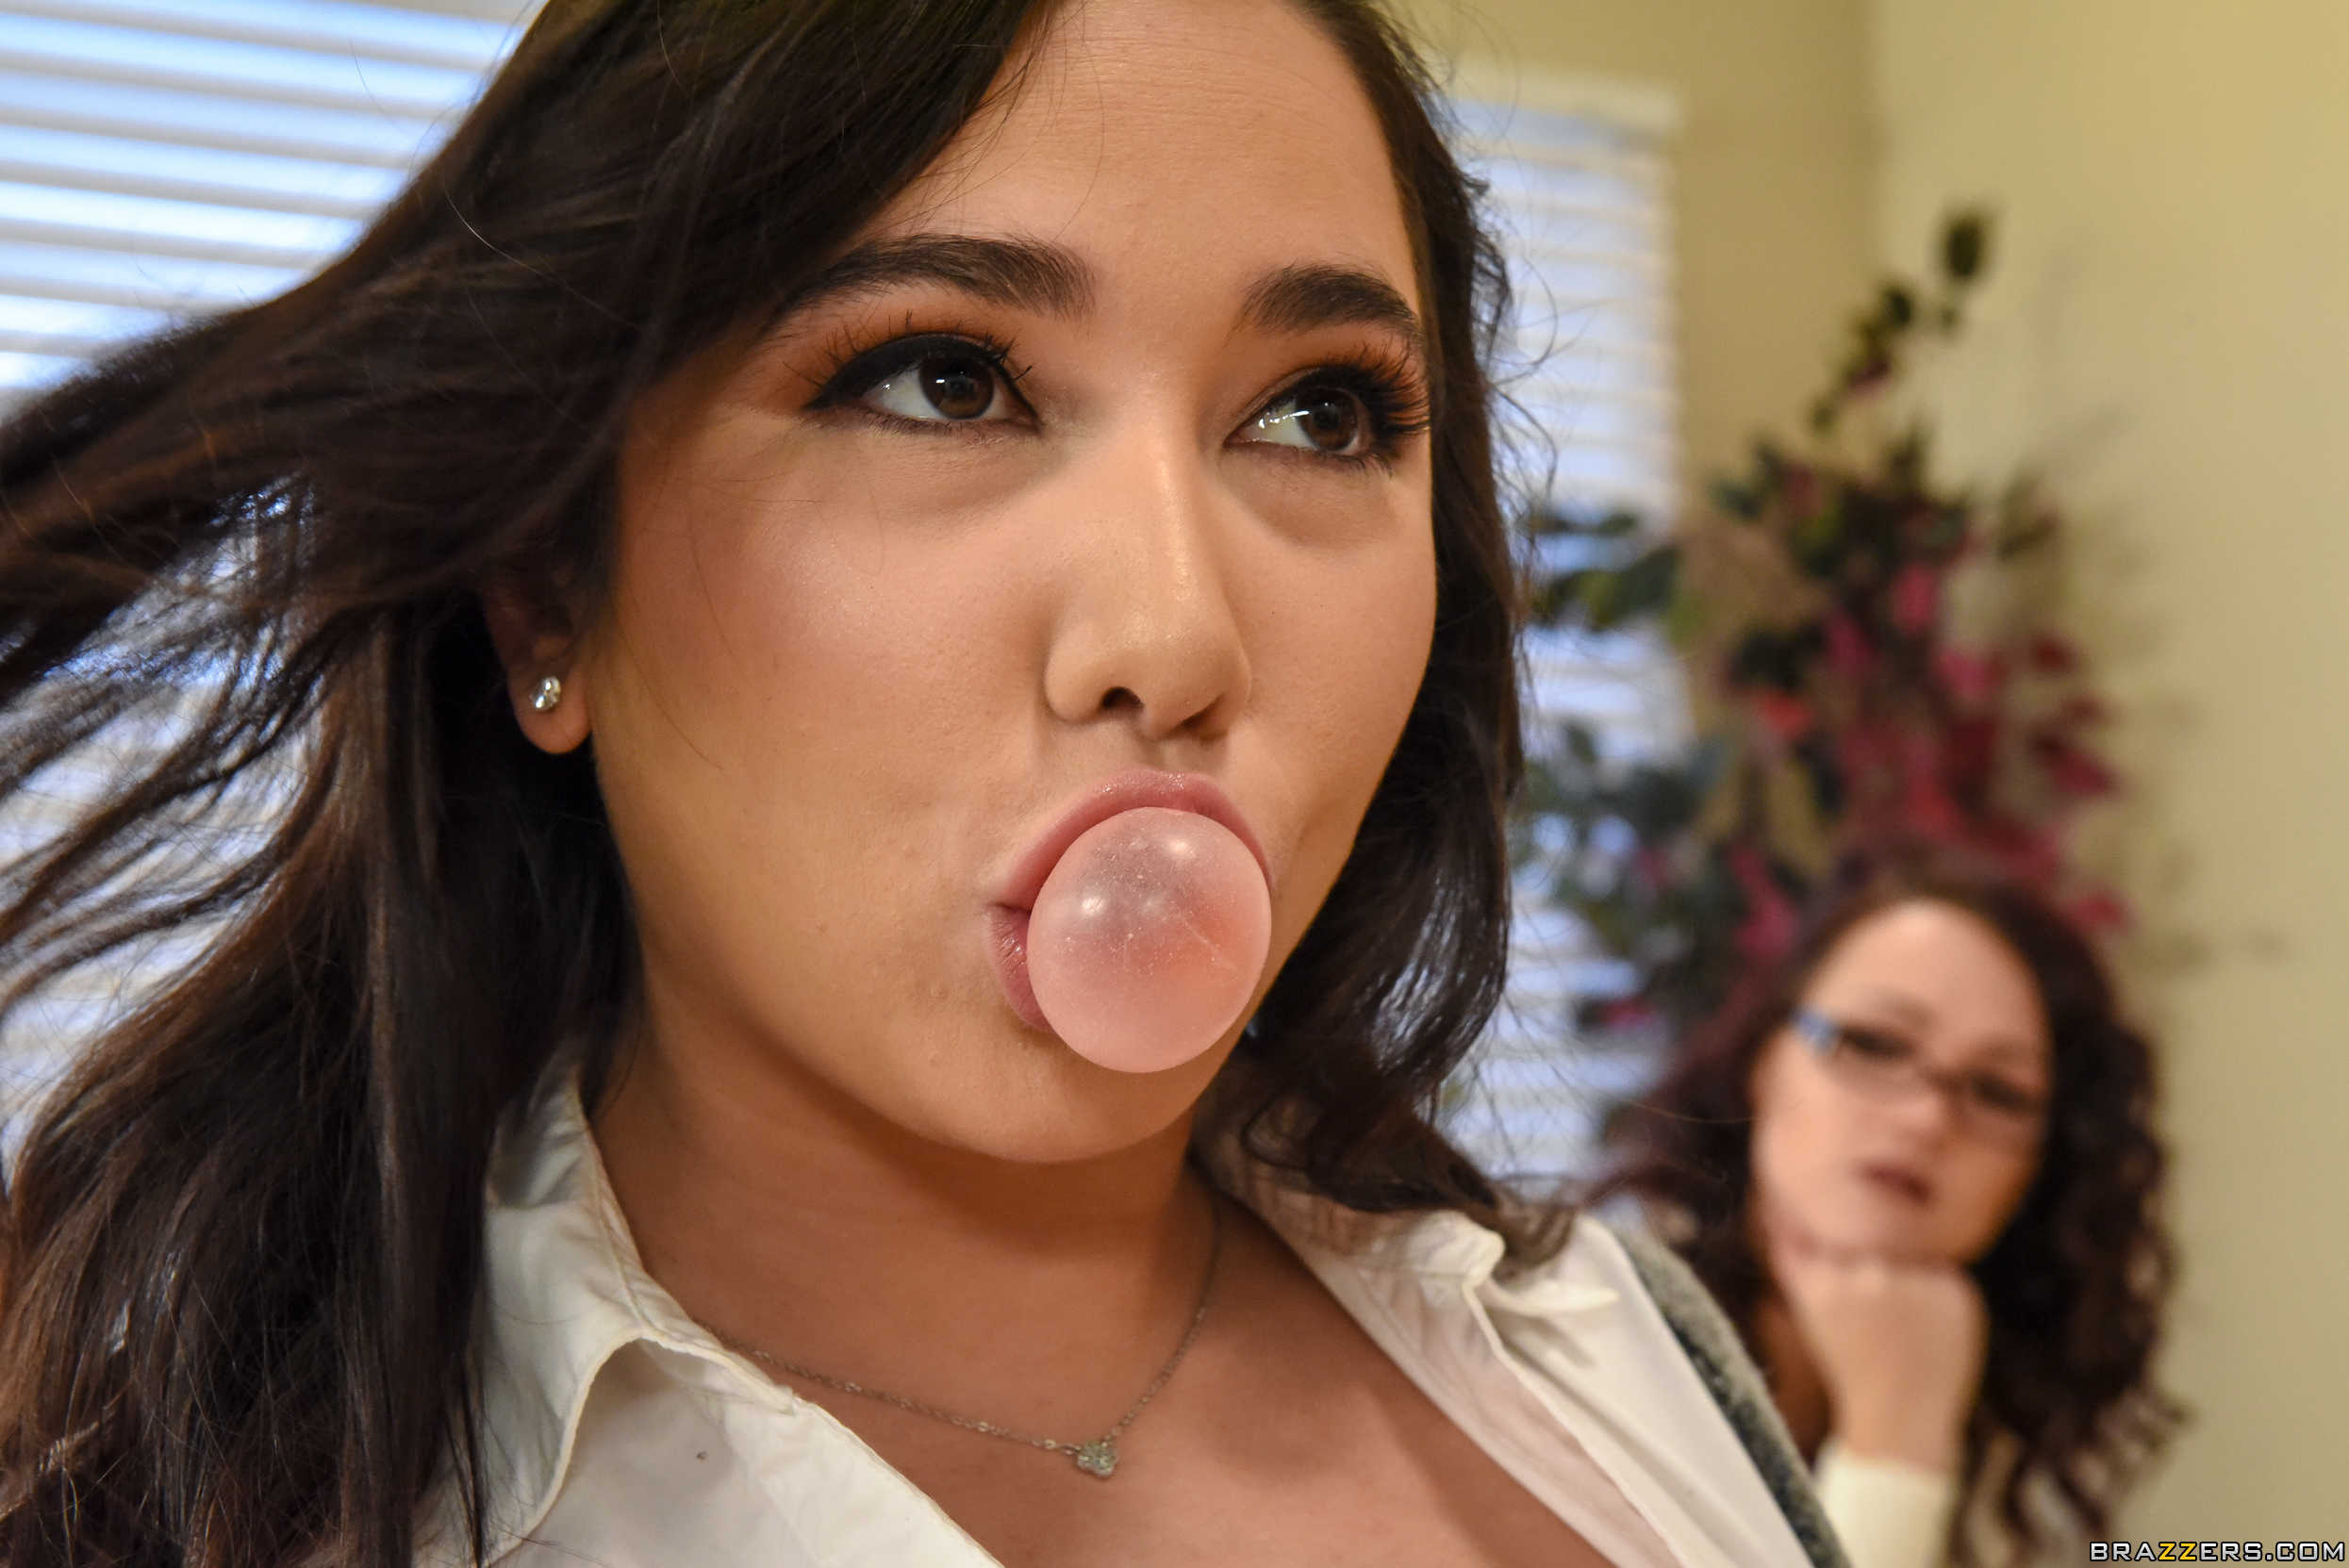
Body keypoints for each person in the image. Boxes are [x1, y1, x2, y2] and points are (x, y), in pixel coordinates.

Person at [0, 2, 1846, 1564]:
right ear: (548, 580)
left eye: (1321, 412)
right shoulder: (232, 1516)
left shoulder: (1629, 1351)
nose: (1176, 634)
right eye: (942, 381)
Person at [1602, 851, 2182, 1568]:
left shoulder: (2015, 1463)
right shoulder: (1594, 1341)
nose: (1925, 1116)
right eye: (1874, 1044)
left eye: (1997, 1091)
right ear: (1765, 1063)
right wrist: (1897, 1439)